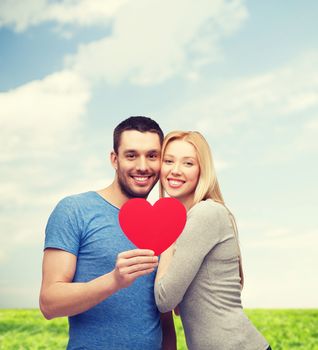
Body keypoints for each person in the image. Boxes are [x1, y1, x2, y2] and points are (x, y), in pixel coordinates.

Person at [40, 117, 176, 350]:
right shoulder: (74, 210)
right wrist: (114, 281)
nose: (143, 166)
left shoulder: (165, 225)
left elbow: (162, 314)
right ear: (114, 159)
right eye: (131, 155)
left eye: (152, 156)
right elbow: (49, 303)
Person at [154, 131, 271, 350]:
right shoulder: (191, 219)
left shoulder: (205, 213)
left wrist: (165, 237)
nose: (175, 170)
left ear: (202, 170)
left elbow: (165, 300)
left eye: (188, 163)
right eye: (168, 161)